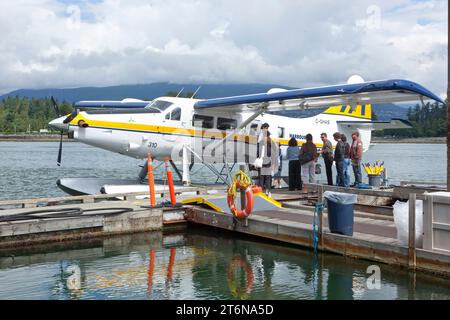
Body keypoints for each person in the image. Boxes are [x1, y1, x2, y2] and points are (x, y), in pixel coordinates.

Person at [258, 131, 279, 197]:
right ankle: (268, 192)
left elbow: (257, 153)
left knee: (261, 178)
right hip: (269, 162)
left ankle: (261, 192)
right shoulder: (272, 143)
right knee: (268, 178)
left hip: (262, 162)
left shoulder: (261, 143)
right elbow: (274, 154)